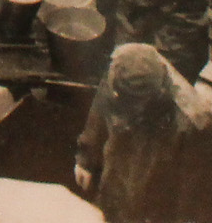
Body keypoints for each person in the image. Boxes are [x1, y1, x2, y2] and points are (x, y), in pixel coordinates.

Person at [74, 43, 212, 223]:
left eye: (134, 107)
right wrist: (86, 157)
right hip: (116, 175)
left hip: (155, 196)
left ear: (158, 93)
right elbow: (100, 108)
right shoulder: (121, 68)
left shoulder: (193, 122)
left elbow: (189, 197)